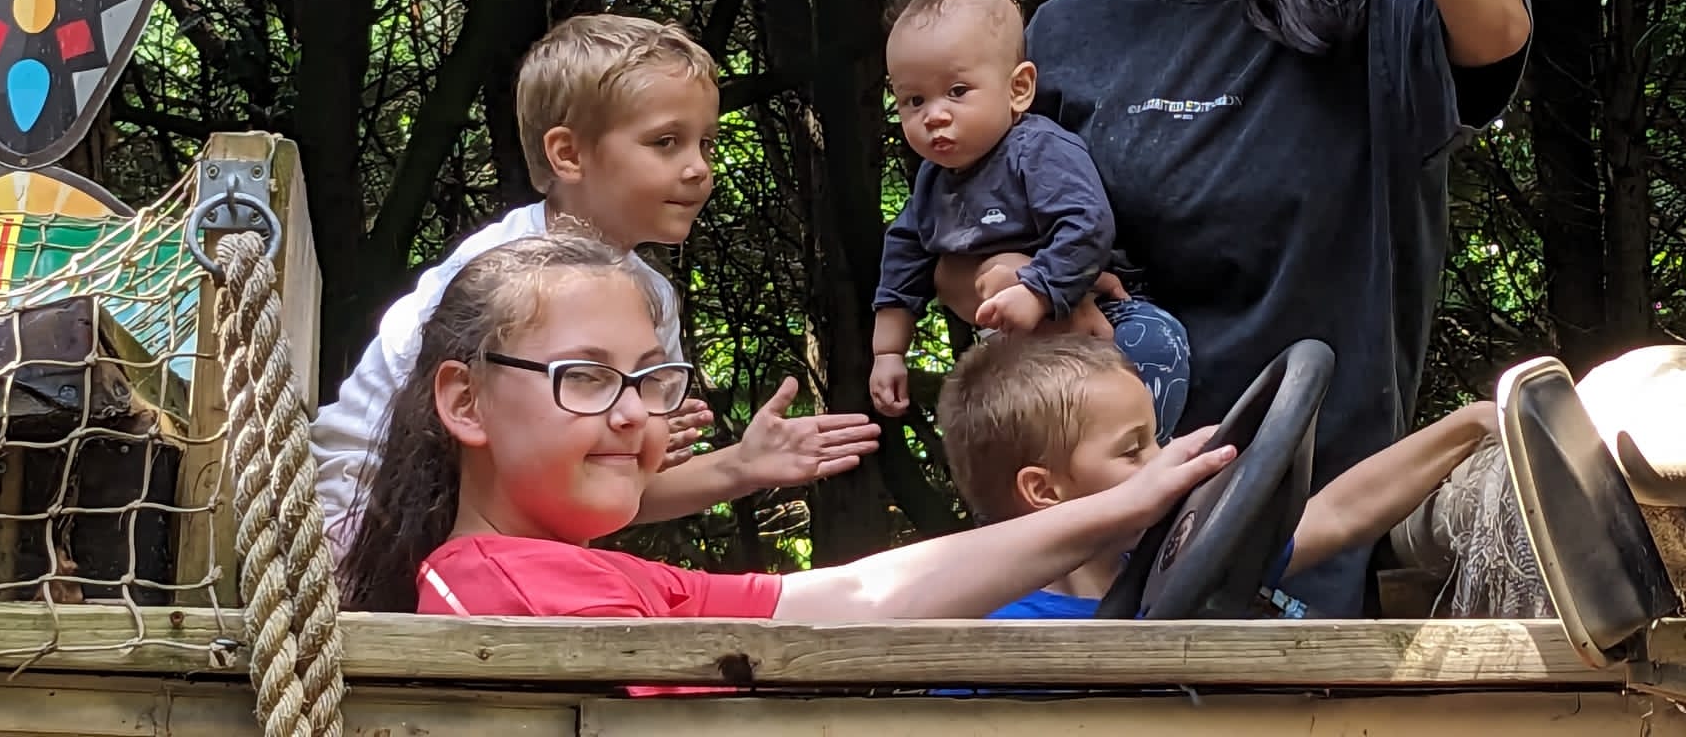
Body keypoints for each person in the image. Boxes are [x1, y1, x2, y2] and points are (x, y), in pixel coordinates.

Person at [940, 0, 1530, 616]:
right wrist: (1013, 273)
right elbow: (961, 242)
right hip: (1106, 536)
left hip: (1319, 515)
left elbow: (1497, 32)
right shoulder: (1065, 35)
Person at [339, 233, 1237, 622]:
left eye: (650, 379)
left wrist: (1125, 505)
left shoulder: (592, 575)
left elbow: (855, 597)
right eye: (586, 377)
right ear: (466, 403)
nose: (632, 413)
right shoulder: (505, 587)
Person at [311, 13, 879, 554]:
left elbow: (610, 497)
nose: (699, 168)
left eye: (706, 143)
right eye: (666, 142)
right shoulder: (498, 275)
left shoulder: (647, 299)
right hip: (363, 521)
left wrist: (739, 465)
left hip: (499, 546)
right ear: (568, 154)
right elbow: (418, 452)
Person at [937, 333, 1497, 619]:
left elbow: (1337, 514)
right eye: (1133, 450)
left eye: (1156, 438)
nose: (1162, 461)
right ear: (1045, 490)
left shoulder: (1181, 557)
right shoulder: (991, 631)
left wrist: (1469, 425)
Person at [870, 0, 1190, 441]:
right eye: (914, 100)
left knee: (1157, 343)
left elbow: (1087, 225)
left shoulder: (1036, 151)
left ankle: (1145, 453)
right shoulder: (932, 182)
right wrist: (888, 352)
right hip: (1016, 340)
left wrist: (1038, 290)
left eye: (957, 91)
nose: (934, 115)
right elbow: (903, 260)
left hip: (1103, 310)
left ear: (1018, 88)